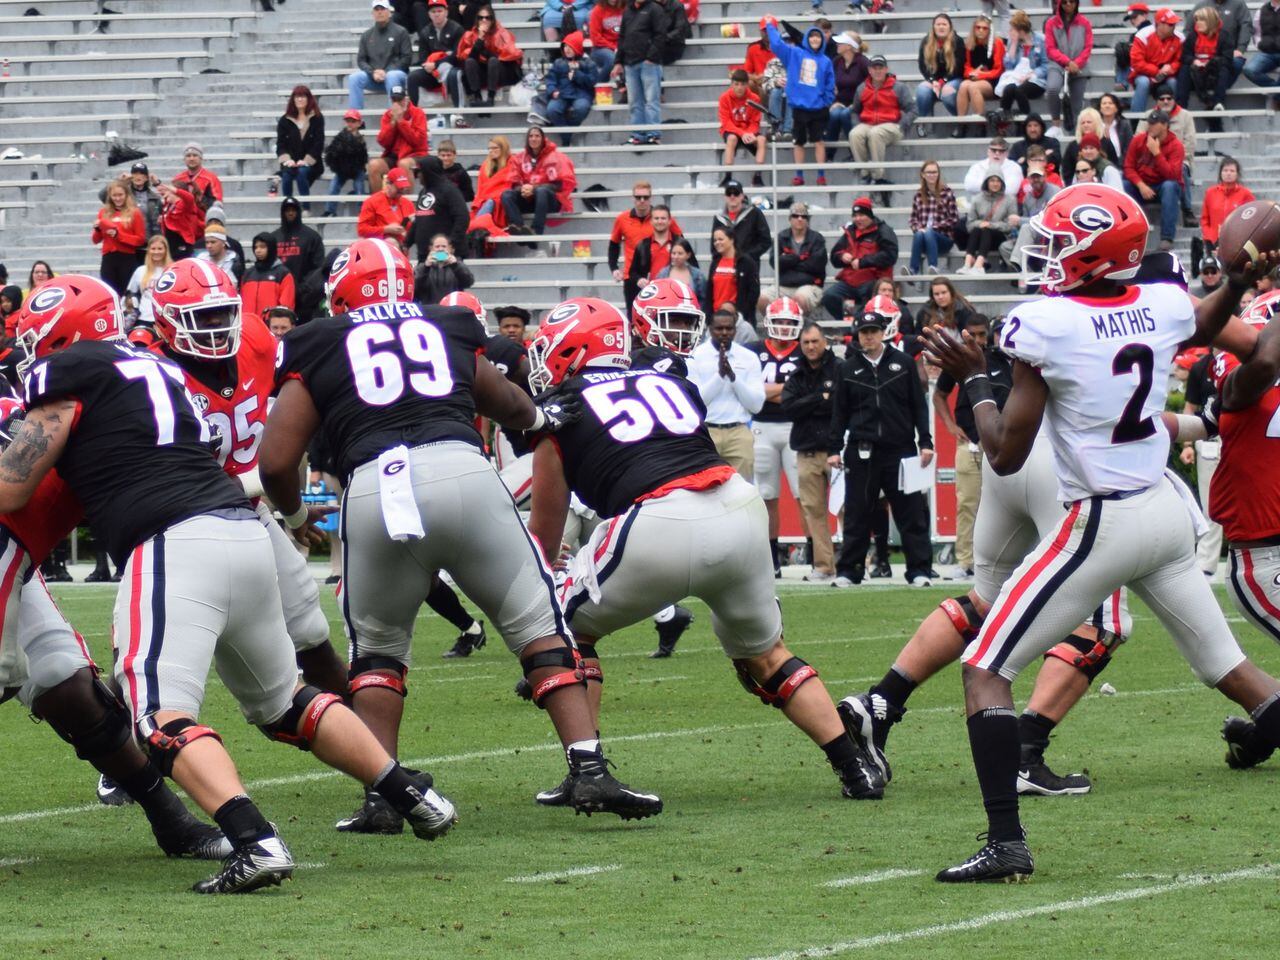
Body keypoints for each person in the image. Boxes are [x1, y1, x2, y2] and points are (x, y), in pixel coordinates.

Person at [8, 274, 457, 894]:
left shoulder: (70, 377)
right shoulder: (157, 367)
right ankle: (411, 791)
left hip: (172, 542)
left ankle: (255, 839)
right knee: (285, 701)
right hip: (243, 530)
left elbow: (13, 485)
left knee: (160, 717)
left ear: (61, 339)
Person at [919, 183, 1280, 883]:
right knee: (1235, 674)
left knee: (985, 669)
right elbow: (1207, 325)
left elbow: (1004, 452)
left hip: (1102, 521)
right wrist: (1237, 280)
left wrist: (972, 380)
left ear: (1093, 257)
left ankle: (1005, 843)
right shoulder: (1162, 302)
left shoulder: (1046, 324)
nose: (1044, 254)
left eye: (1058, 244)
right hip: (1167, 514)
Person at [261, 238, 663, 822]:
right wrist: (541, 415)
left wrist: (297, 518)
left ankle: (383, 795)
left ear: (341, 292)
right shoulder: (446, 322)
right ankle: (589, 771)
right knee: (538, 629)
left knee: (376, 650)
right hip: (462, 470)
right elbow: (502, 399)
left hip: (378, 485)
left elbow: (276, 461)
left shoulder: (318, 338)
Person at [522, 297, 885, 803]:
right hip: (737, 506)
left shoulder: (562, 409)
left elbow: (544, 533)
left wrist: (544, 656)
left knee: (561, 631)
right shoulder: (671, 383)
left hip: (659, 519)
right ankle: (854, 767)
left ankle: (587, 767)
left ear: (570, 349)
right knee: (765, 655)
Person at [827, 296, 934, 588]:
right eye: (864, 332)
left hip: (900, 449)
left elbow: (918, 406)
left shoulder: (903, 364)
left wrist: (925, 441)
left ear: (883, 331)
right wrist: (834, 448)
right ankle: (849, 571)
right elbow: (839, 412)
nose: (869, 336)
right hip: (861, 450)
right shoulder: (847, 369)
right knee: (857, 514)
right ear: (858, 335)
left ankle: (919, 570)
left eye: (874, 331)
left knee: (910, 512)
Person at [933, 315, 1005, 579]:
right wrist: (950, 426)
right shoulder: (959, 360)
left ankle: (1004, 561)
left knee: (1007, 502)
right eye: (971, 335)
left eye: (981, 335)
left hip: (1001, 443)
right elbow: (939, 395)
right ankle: (965, 560)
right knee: (968, 502)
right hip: (971, 442)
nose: (976, 340)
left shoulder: (1001, 360)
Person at [749, 297, 805, 576]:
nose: (783, 327)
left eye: (789, 322)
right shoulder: (753, 351)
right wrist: (786, 390)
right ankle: (771, 559)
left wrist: (769, 390)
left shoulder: (806, 349)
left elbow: (804, 391)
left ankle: (816, 553)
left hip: (796, 427)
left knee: (803, 495)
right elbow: (753, 391)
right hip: (761, 427)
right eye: (779, 321)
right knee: (766, 496)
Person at [782, 322, 839, 582]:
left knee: (846, 508)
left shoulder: (839, 368)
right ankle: (824, 565)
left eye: (815, 341)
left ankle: (851, 563)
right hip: (805, 451)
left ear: (824, 342)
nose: (811, 347)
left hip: (835, 449)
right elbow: (789, 408)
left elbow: (840, 404)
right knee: (813, 511)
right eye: (806, 343)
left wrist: (811, 402)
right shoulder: (796, 374)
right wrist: (820, 398)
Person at [688, 303, 764, 479]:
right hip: (707, 431)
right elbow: (696, 402)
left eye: (729, 328)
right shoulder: (695, 356)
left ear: (735, 330)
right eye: (719, 328)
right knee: (707, 490)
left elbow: (756, 405)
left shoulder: (749, 357)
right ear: (710, 329)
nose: (724, 333)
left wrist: (734, 378)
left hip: (739, 431)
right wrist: (719, 376)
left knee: (743, 492)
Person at [765, 19, 834, 187]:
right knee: (799, 141)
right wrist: (770, 26)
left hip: (818, 108)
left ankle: (821, 175)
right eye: (812, 37)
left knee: (819, 141)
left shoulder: (826, 61)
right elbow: (776, 45)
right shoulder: (795, 54)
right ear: (807, 39)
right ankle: (799, 174)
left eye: (818, 37)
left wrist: (825, 101)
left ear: (822, 40)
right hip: (799, 108)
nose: (815, 40)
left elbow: (829, 84)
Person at [822, 196, 897, 322]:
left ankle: (860, 324)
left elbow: (890, 256)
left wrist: (863, 262)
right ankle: (849, 323)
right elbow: (834, 257)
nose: (858, 219)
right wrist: (842, 257)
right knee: (830, 296)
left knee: (870, 293)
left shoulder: (883, 231)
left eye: (861, 215)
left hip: (873, 280)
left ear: (870, 215)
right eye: (855, 215)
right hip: (850, 282)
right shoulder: (850, 231)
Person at [848, 54, 916, 191]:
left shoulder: (898, 87)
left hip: (892, 124)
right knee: (855, 134)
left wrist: (903, 125)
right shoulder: (862, 88)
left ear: (886, 69)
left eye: (881, 67)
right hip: (868, 123)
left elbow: (913, 109)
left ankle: (878, 176)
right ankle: (865, 173)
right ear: (869, 70)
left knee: (875, 133)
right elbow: (855, 111)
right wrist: (856, 124)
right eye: (874, 68)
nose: (878, 71)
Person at [1124, 109, 1185, 251]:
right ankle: (1130, 234)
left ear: (1164, 125)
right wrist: (1140, 185)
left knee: (1170, 186)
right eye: (1149, 123)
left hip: (1162, 186)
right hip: (1142, 185)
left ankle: (1167, 237)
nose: (1149, 126)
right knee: (1124, 186)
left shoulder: (1176, 146)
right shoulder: (1138, 140)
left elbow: (1173, 175)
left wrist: (1157, 153)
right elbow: (1128, 167)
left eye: (1154, 123)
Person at [501, 126, 576, 238]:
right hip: (529, 199)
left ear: (543, 138)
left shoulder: (556, 157)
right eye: (531, 136)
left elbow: (561, 185)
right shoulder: (519, 158)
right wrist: (523, 189)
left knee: (542, 191)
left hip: (551, 201)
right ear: (527, 139)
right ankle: (520, 229)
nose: (534, 139)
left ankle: (536, 231)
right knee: (506, 195)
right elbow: (513, 183)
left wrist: (534, 188)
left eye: (537, 136)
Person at [612, 0, 667, 146]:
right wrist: (618, 62)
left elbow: (661, 35)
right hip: (630, 63)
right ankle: (638, 134)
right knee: (634, 102)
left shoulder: (655, 9)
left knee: (651, 100)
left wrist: (651, 57)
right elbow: (622, 37)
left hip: (648, 63)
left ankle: (653, 135)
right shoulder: (628, 10)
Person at [347, 0, 414, 110]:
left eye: (382, 9)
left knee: (392, 75)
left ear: (389, 12)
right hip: (374, 76)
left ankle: (393, 116)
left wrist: (386, 71)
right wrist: (372, 72)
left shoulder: (401, 32)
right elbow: (361, 60)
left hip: (397, 76)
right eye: (376, 10)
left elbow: (406, 58)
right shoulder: (367, 35)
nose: (379, 12)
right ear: (372, 13)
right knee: (354, 78)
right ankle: (355, 119)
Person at [456, 4, 523, 109]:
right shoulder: (470, 35)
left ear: (492, 19)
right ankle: (477, 97)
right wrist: (480, 39)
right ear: (476, 20)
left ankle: (490, 97)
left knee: (492, 60)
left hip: (500, 72)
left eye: (487, 17)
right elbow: (467, 57)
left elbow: (507, 55)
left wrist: (485, 51)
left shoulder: (502, 34)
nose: (484, 20)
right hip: (480, 73)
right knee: (470, 62)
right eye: (480, 17)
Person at [271, 197, 326, 322]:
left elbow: (318, 267)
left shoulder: (312, 237)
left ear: (298, 212)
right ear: (282, 213)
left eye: (293, 210)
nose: (290, 213)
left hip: (305, 297)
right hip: (279, 296)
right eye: (287, 210)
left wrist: (304, 287)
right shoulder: (274, 237)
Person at [767, 202, 825, 316]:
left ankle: (801, 331)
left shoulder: (817, 239)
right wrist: (799, 259)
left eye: (803, 216)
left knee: (799, 298)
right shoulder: (781, 237)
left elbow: (816, 265)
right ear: (790, 219)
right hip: (784, 285)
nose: (800, 219)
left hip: (809, 285)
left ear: (807, 220)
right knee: (762, 298)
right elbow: (774, 263)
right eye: (795, 216)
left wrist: (788, 260)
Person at [369, 85, 427, 193]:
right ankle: (378, 204)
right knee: (373, 165)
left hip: (416, 155)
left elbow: (418, 142)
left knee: (403, 164)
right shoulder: (388, 115)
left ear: (406, 99)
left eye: (399, 99)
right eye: (394, 100)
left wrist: (401, 121)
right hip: (395, 156)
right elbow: (383, 142)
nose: (397, 103)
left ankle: (407, 205)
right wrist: (393, 123)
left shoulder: (418, 113)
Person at [1044, 0, 1092, 133]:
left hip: (1079, 65)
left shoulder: (1085, 23)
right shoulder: (1051, 23)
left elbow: (1088, 47)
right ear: (1060, 4)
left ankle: (1073, 133)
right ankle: (1055, 123)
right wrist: (1067, 62)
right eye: (1064, 2)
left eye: (1072, 2)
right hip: (1057, 64)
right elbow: (1050, 49)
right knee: (1052, 88)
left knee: (1076, 105)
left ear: (1077, 3)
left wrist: (1076, 63)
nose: (1068, 5)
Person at [406, 0, 464, 109]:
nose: (436, 14)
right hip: (432, 72)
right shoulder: (425, 32)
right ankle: (413, 113)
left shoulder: (457, 29)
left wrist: (436, 64)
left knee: (454, 74)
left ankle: (459, 113)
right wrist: (428, 66)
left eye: (439, 11)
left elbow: (457, 55)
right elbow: (423, 57)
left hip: (453, 69)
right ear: (429, 14)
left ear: (446, 12)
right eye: (433, 11)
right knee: (413, 77)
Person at [93, 181, 146, 298]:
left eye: (120, 195)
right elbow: (96, 240)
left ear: (126, 195)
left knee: (126, 293)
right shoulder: (103, 212)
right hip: (108, 258)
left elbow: (140, 240)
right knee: (109, 292)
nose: (117, 198)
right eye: (114, 195)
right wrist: (97, 229)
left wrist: (119, 235)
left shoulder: (135, 213)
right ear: (110, 197)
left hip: (127, 258)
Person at [1177, 6, 1233, 113]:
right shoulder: (1193, 36)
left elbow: (1227, 58)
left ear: (1210, 21)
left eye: (1201, 20)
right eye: (1196, 20)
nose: (1197, 23)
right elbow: (1184, 55)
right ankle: (1181, 106)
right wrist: (1194, 61)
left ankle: (1218, 102)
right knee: (1185, 68)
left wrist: (1211, 63)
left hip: (1213, 74)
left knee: (1224, 68)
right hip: (1197, 73)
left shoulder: (1224, 36)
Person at [907, 160, 959, 275]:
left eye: (935, 172)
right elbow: (912, 219)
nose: (932, 175)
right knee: (919, 234)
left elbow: (954, 219)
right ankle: (913, 270)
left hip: (944, 239)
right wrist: (918, 228)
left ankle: (933, 267)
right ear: (923, 174)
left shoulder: (947, 193)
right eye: (929, 172)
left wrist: (933, 228)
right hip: (924, 240)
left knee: (929, 232)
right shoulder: (918, 195)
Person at [545, 32, 597, 144]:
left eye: (570, 47)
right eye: (565, 46)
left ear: (577, 47)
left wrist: (577, 75)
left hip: (582, 94)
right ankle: (567, 135)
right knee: (552, 109)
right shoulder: (558, 62)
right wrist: (553, 91)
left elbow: (592, 81)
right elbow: (550, 79)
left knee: (581, 107)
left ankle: (567, 134)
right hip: (562, 94)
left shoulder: (589, 63)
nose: (567, 49)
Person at [958, 169, 1014, 275]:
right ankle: (967, 264)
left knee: (986, 229)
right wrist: (980, 224)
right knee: (978, 229)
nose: (995, 183)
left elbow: (1010, 225)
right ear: (986, 182)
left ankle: (979, 265)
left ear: (1002, 183)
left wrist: (991, 225)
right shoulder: (977, 199)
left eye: (998, 181)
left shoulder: (1009, 200)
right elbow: (969, 224)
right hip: (980, 236)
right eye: (992, 180)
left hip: (1001, 237)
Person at [955, 15, 1005, 130]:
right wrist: (972, 73)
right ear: (974, 28)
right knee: (963, 86)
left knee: (973, 87)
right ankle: (961, 125)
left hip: (993, 81)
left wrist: (980, 75)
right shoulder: (969, 44)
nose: (981, 30)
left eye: (984, 28)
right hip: (974, 78)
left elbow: (999, 70)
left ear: (989, 30)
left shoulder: (997, 43)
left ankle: (981, 125)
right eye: (978, 27)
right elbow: (966, 67)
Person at [916, 13, 965, 128]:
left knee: (947, 92)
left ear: (950, 27)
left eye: (944, 24)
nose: (941, 27)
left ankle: (960, 122)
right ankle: (922, 122)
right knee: (922, 89)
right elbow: (923, 66)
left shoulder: (957, 41)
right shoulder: (926, 41)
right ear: (933, 27)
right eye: (938, 24)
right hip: (934, 79)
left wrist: (942, 82)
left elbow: (959, 67)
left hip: (954, 78)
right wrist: (933, 81)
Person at [275, 86, 325, 199]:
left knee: (301, 172)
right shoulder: (284, 120)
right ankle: (287, 206)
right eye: (297, 97)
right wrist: (288, 160)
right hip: (291, 162)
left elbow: (319, 143)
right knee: (287, 175)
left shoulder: (317, 118)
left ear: (309, 99)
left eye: (303, 96)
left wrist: (306, 161)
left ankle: (306, 208)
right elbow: (280, 144)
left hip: (312, 163)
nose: (300, 99)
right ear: (293, 99)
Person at [1130, 7, 1182, 115]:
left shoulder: (1179, 38)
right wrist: (1156, 71)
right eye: (1171, 24)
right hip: (1143, 74)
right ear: (1160, 24)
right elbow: (1136, 62)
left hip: (1166, 76)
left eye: (1174, 24)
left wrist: (1170, 68)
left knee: (1173, 82)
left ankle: (1173, 118)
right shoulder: (1143, 35)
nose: (1174, 27)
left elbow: (1180, 60)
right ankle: (1135, 120)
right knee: (1143, 82)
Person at [719, 69, 766, 185]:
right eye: (736, 84)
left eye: (742, 84)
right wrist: (742, 133)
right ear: (732, 84)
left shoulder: (754, 99)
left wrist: (750, 133)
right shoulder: (724, 98)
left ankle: (758, 176)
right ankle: (728, 176)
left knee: (762, 140)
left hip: (748, 132)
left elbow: (755, 121)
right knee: (732, 139)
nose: (739, 87)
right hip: (732, 130)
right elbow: (726, 122)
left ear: (747, 85)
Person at [997, 9, 1048, 118]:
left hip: (1036, 80)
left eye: (1012, 29)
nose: (1010, 32)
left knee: (1019, 90)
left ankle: (1027, 119)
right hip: (1017, 78)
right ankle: (1003, 121)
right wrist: (1014, 44)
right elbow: (1008, 66)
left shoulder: (1041, 40)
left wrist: (1031, 75)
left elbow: (1046, 65)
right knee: (1009, 89)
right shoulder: (1013, 41)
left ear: (1021, 31)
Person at [1200, 156, 1254, 256]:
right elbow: (1205, 219)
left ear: (1237, 174)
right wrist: (1209, 237)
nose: (1228, 173)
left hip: (1237, 242)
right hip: (1213, 241)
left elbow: (1251, 221)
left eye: (1232, 171)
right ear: (1220, 173)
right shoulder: (1210, 193)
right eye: (1225, 170)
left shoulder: (1246, 194)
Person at [710, 179, 770, 265]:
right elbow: (714, 245)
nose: (732, 196)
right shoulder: (719, 218)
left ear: (742, 196)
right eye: (729, 193)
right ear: (725, 197)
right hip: (726, 265)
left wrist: (748, 256)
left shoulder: (754, 213)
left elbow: (766, 240)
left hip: (749, 265)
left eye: (736, 193)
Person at [323, 109, 371, 217]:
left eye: (353, 121)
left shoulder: (361, 139)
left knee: (359, 187)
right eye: (348, 121)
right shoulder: (340, 137)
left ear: (359, 123)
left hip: (357, 168)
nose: (350, 124)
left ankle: (362, 211)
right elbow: (332, 153)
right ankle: (330, 210)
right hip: (342, 169)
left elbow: (363, 157)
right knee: (333, 186)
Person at [240, 233, 296, 322]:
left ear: (271, 248)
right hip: (248, 325)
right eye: (256, 247)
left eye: (262, 247)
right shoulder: (248, 273)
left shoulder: (283, 274)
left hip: (271, 326)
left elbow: (286, 306)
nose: (258, 250)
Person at [100, 162, 163, 240]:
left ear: (146, 178)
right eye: (135, 173)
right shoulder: (124, 194)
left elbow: (158, 221)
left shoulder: (154, 198)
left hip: (147, 239)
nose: (138, 176)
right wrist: (118, 181)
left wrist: (157, 184)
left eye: (141, 174)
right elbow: (103, 196)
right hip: (127, 238)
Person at [171, 143, 223, 236]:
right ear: (184, 159)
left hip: (203, 227)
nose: (191, 158)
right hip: (183, 228)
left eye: (195, 155)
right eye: (188, 156)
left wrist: (198, 197)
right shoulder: (178, 179)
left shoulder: (211, 178)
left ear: (201, 158)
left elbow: (216, 205)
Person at [626, 203, 680, 292]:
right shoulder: (643, 245)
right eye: (656, 218)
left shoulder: (679, 243)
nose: (659, 221)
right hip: (652, 294)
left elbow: (692, 268)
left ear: (670, 221)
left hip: (675, 292)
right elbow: (632, 272)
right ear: (651, 221)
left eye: (663, 218)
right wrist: (639, 279)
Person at [827, 31, 869, 145]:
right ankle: (829, 155)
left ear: (849, 46)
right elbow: (830, 84)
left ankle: (854, 151)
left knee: (846, 114)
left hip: (859, 104)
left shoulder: (863, 62)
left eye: (841, 42)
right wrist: (834, 102)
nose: (837, 44)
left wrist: (856, 104)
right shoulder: (836, 61)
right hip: (840, 102)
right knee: (834, 114)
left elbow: (871, 86)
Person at [124, 236, 172, 332]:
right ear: (148, 250)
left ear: (166, 250)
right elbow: (129, 294)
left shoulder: (172, 270)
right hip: (144, 318)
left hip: (166, 319)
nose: (156, 252)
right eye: (153, 249)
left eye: (160, 249)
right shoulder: (141, 270)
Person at [358, 167, 415, 245]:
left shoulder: (408, 203)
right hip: (379, 246)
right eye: (398, 187)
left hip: (402, 246)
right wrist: (386, 229)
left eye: (403, 187)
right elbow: (362, 230)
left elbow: (413, 230)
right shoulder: (372, 201)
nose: (401, 190)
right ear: (388, 184)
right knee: (390, 241)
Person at [414, 234, 474, 303]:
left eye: (444, 246)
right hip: (430, 309)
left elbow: (468, 282)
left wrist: (455, 265)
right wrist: (426, 267)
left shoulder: (458, 265)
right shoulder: (422, 267)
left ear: (450, 249)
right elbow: (416, 287)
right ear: (431, 249)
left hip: (452, 308)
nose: (440, 249)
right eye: (437, 246)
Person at [655, 237, 707, 316]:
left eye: (680, 253)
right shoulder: (663, 274)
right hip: (668, 315)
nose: (676, 257)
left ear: (688, 255)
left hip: (691, 315)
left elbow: (703, 299)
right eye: (673, 253)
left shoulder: (697, 275)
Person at [1243, 0, 1280, 109]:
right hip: (1267, 53)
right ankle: (1277, 93)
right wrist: (1260, 44)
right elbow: (1256, 32)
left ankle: (1277, 97)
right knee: (1250, 70)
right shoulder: (1261, 10)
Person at [156, 182, 201, 262]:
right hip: (170, 242)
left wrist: (175, 190)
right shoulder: (169, 205)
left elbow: (189, 197)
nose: (167, 193)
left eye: (169, 191)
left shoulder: (185, 205)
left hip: (182, 242)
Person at [471, 135, 511, 220]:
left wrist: (492, 196)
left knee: (491, 202)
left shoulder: (512, 163)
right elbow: (480, 189)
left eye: (494, 148)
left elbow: (509, 185)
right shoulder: (485, 165)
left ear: (503, 148)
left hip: (500, 200)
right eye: (489, 148)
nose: (491, 151)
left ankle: (476, 227)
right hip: (485, 200)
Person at [1115, 3, 1154, 88]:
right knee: (1122, 52)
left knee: (1124, 53)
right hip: (1140, 68)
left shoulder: (1153, 31)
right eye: (1130, 19)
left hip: (1150, 67)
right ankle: (1121, 84)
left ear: (1145, 15)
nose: (1132, 21)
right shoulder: (1135, 34)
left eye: (1135, 17)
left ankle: (1121, 83)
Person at [195, 223, 242, 288]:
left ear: (223, 243)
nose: (209, 246)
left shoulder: (233, 261)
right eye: (207, 242)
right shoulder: (200, 260)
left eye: (213, 242)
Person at [588, 0, 625, 75]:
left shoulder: (625, 9)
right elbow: (595, 38)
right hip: (601, 48)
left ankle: (623, 83)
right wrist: (614, 47)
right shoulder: (597, 10)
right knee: (613, 59)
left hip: (621, 46)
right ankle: (600, 83)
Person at [1096, 91, 1134, 160]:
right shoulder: (1095, 126)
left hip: (1122, 165)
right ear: (1100, 109)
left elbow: (1129, 149)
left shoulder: (1125, 125)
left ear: (1116, 108)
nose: (1107, 106)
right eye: (1104, 103)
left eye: (1110, 103)